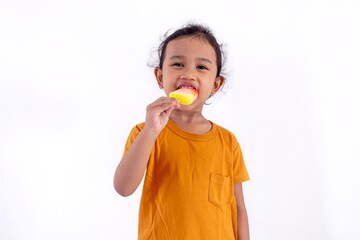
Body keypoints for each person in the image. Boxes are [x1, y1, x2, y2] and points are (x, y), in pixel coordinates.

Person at [114, 23, 250, 240]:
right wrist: (150, 131)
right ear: (160, 77)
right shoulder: (146, 132)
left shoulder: (228, 141)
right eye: (178, 64)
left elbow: (239, 208)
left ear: (216, 84)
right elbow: (123, 187)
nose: (189, 74)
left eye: (201, 67)